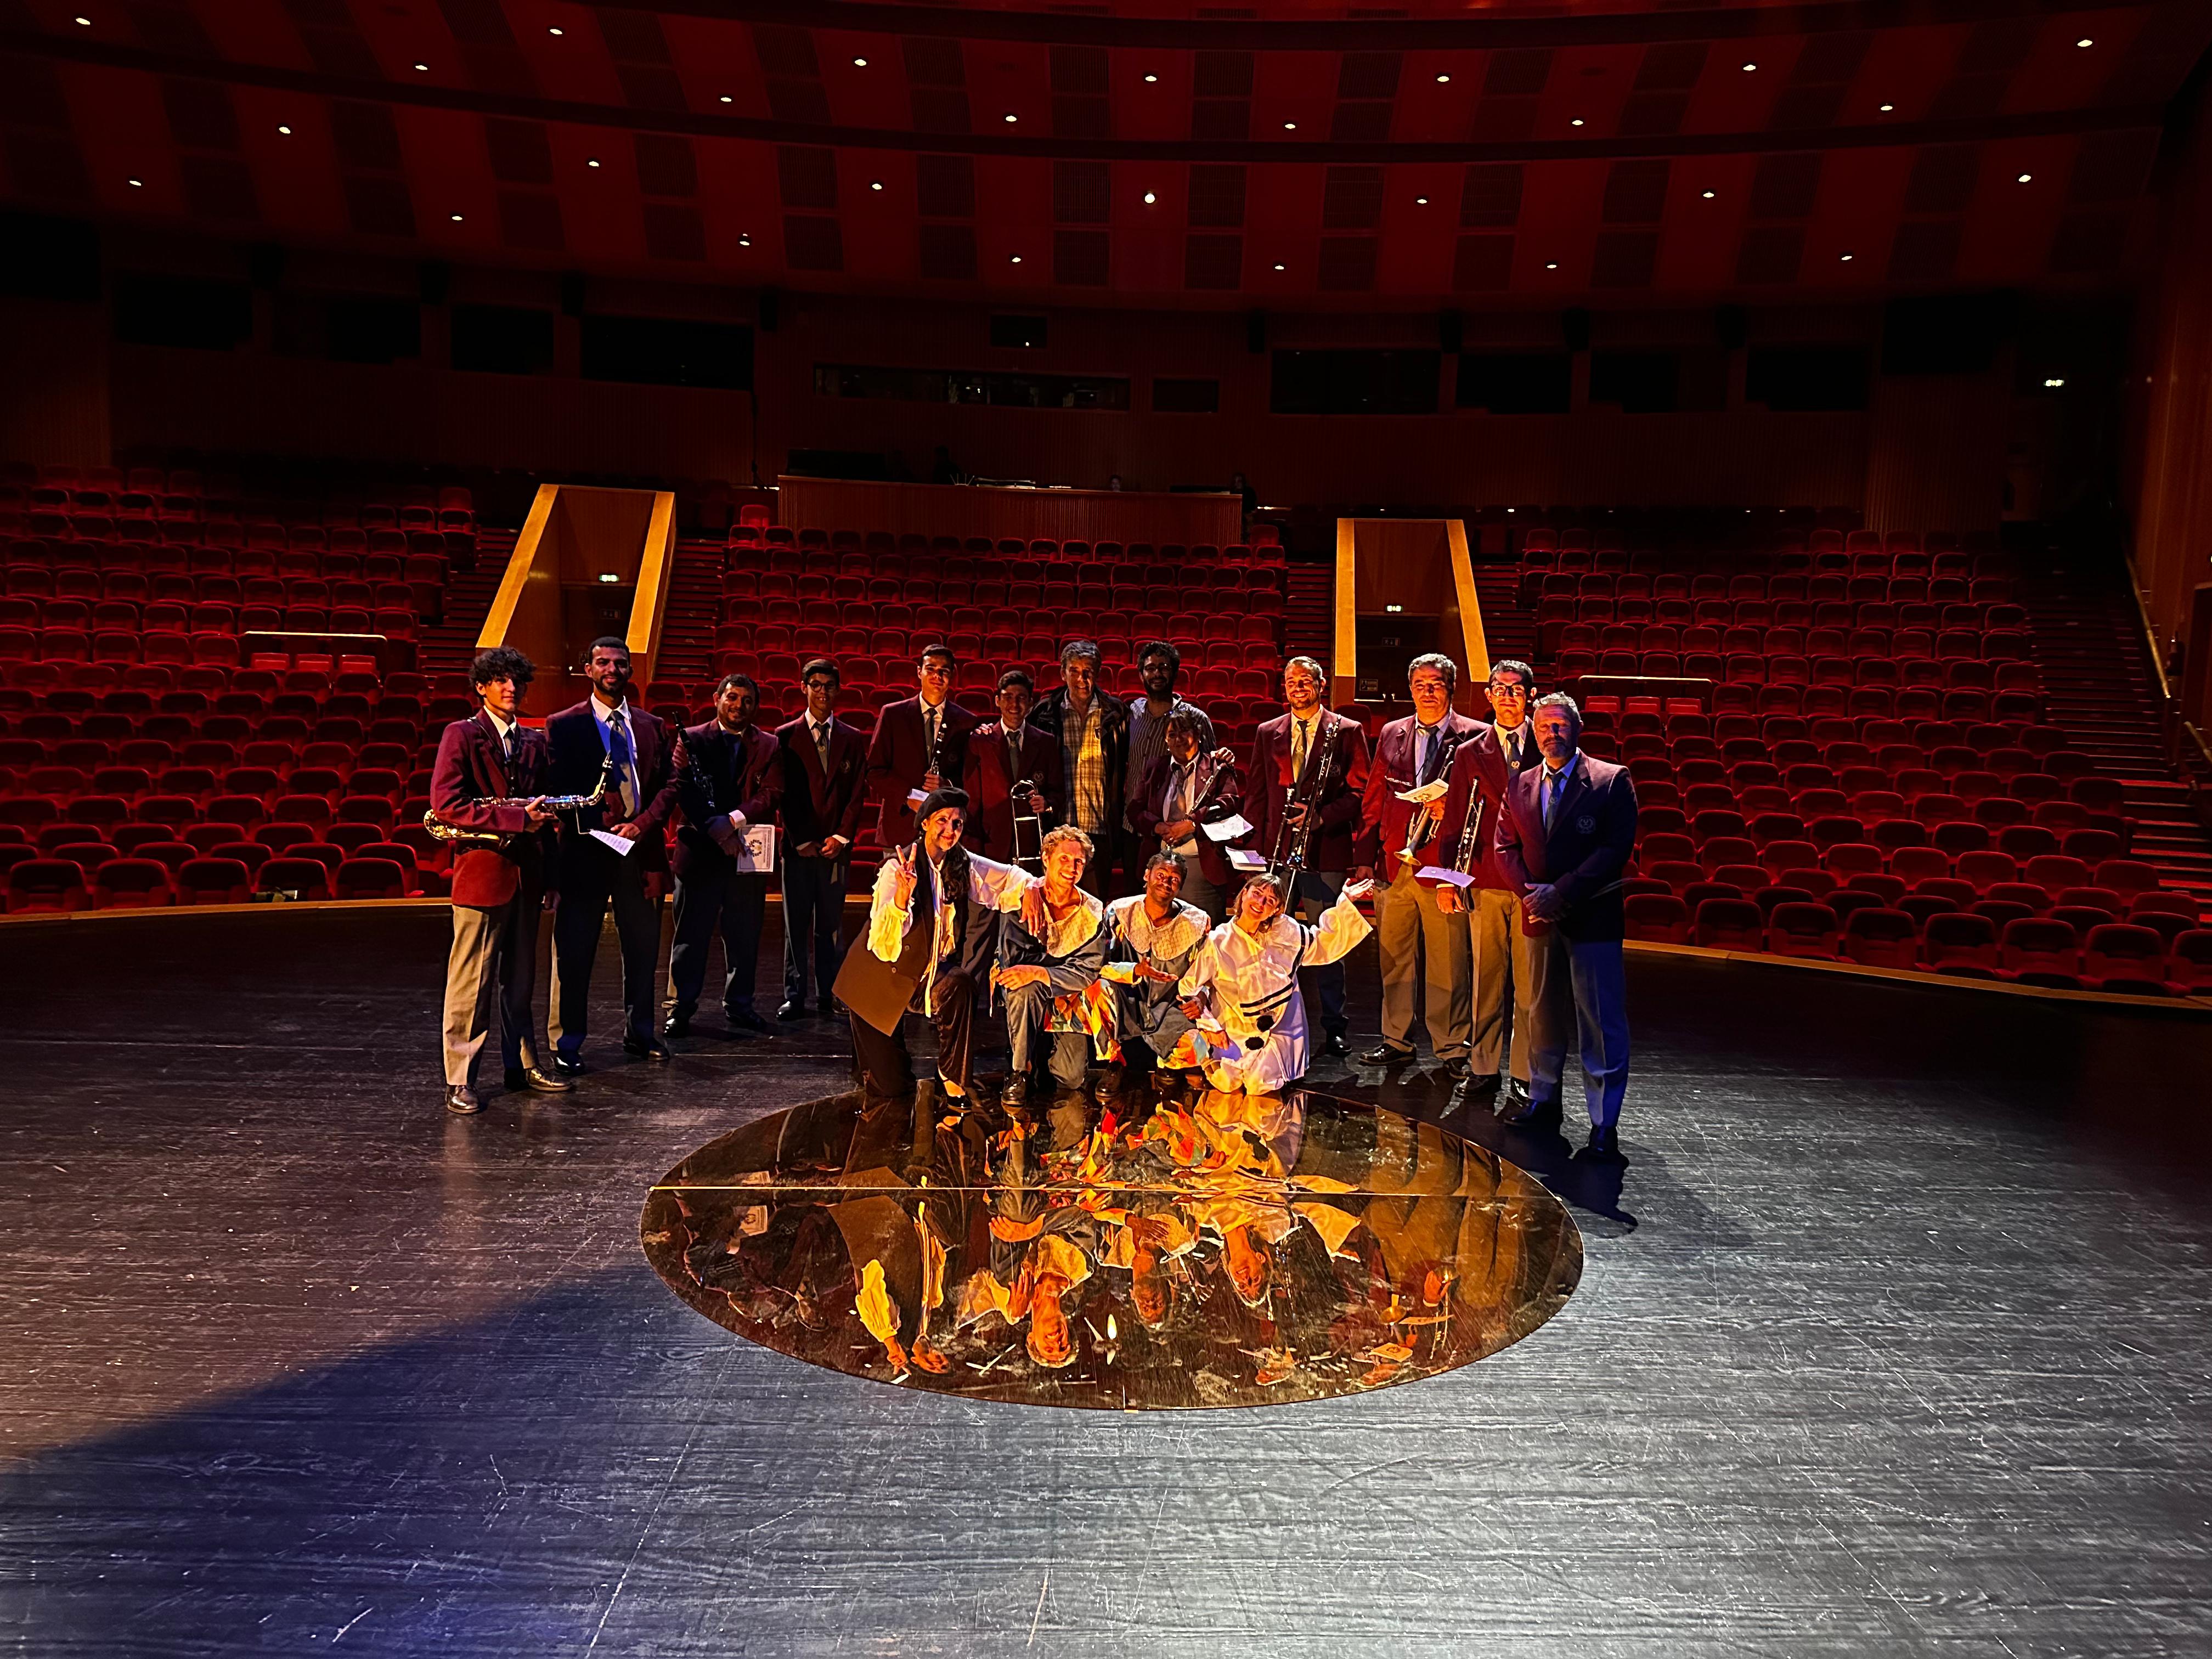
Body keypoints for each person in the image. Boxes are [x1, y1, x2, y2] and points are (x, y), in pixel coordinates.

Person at [1492, 693, 1638, 1159]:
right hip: (1538, 917)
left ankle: (1603, 1123)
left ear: (1577, 728)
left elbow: (1614, 850)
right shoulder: (1520, 783)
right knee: (1541, 1013)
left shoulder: (1611, 780)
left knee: (1599, 1021)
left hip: (1592, 917)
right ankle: (1543, 1100)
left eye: (1559, 725)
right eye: (1544, 727)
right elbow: (1503, 848)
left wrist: (1562, 892)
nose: (1551, 734)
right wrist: (1533, 895)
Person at [428, 646, 568, 1114]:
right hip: (483, 878)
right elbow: (447, 805)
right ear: (482, 687)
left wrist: (551, 876)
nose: (512, 688)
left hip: (528, 877)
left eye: (518, 680)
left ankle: (523, 1065)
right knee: (472, 984)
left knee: (521, 982)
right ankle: (460, 1078)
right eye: (502, 680)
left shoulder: (534, 741)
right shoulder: (461, 734)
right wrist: (515, 820)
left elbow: (546, 816)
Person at [838, 787, 1043, 1104]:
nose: (950, 830)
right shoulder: (898, 868)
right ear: (924, 824)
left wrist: (1030, 887)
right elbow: (883, 945)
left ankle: (952, 1078)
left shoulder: (962, 862)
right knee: (891, 1088)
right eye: (942, 821)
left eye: (957, 823)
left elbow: (1008, 877)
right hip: (880, 980)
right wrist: (902, 897)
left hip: (926, 976)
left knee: (960, 983)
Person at [544, 636, 675, 1074]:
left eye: (620, 664)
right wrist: (595, 821)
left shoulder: (652, 726)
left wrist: (643, 824)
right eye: (603, 663)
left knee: (642, 950)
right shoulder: (563, 725)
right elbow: (555, 787)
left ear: (630, 671)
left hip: (639, 851)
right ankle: (567, 1042)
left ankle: (641, 1033)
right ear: (588, 669)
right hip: (584, 855)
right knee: (575, 952)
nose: (612, 670)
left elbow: (670, 785)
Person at [1351, 653, 1483, 1074]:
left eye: (1436, 684)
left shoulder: (1475, 736)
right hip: (1395, 861)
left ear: (1452, 688)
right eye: (1420, 684)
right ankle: (1396, 1039)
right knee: (1394, 958)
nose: (1428, 692)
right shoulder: (1393, 732)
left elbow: (1483, 802)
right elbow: (1374, 796)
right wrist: (1365, 858)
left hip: (1442, 867)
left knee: (1449, 961)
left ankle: (1452, 1046)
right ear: (1410, 689)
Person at [1242, 656, 1370, 1057]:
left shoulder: (1347, 731)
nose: (1298, 687)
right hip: (1277, 854)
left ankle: (1334, 1025)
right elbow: (1257, 794)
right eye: (1291, 681)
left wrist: (1321, 817)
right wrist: (1254, 854)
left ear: (1321, 685)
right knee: (1267, 938)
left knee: (1327, 941)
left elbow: (1360, 792)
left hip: (1325, 852)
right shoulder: (1268, 732)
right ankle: (1266, 1019)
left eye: (1305, 680)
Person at [1430, 659, 1543, 1107]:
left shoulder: (1549, 743)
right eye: (1499, 689)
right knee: (1486, 979)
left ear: (1531, 696)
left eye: (1516, 690)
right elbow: (1455, 821)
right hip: (1486, 878)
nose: (1507, 697)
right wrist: (1447, 880)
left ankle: (1525, 1072)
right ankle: (1483, 1066)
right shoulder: (1469, 751)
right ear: (1488, 695)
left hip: (1534, 882)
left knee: (1530, 985)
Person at [1177, 870, 1374, 1094]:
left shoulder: (1283, 931)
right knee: (1226, 1083)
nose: (1260, 903)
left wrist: (1346, 901)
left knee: (1259, 1084)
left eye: (1270, 901)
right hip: (1235, 1026)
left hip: (1278, 1026)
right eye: (1257, 894)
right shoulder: (1219, 941)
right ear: (1244, 893)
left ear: (1277, 910)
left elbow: (1321, 942)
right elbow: (1188, 988)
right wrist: (1210, 1026)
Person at [664, 672, 782, 1041]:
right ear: (717, 699)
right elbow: (682, 789)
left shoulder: (770, 744)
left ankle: (740, 1004)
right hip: (700, 852)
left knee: (744, 936)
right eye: (732, 697)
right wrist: (716, 831)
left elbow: (772, 793)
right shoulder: (692, 738)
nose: (738, 706)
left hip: (746, 851)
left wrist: (731, 822)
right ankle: (681, 1007)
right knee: (690, 937)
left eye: (747, 700)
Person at [994, 826, 1115, 1107]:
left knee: (1071, 1078)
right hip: (1027, 990)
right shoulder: (1019, 901)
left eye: (1079, 862)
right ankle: (1019, 1071)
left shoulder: (1091, 912)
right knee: (1024, 989)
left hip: (1068, 994)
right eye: (1064, 859)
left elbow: (1087, 970)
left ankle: (1039, 1051)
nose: (1072, 868)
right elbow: (1015, 964)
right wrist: (1051, 970)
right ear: (1046, 859)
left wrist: (1041, 972)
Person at [776, 657, 868, 1020]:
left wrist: (842, 836)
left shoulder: (852, 738)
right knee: (796, 925)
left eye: (829, 686)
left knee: (831, 926)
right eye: (815, 685)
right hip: (798, 848)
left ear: (838, 690)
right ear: (804, 688)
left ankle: (830, 992)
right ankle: (794, 994)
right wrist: (801, 839)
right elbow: (782, 793)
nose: (823, 692)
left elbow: (857, 793)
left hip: (835, 849)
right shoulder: (784, 736)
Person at [1028, 639, 1128, 896]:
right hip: (1055, 828)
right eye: (1074, 671)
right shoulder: (1044, 713)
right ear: (1063, 673)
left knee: (1093, 908)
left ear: (1098, 674)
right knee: (1054, 907)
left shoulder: (1116, 714)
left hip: (1099, 832)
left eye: (1088, 672)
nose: (1082, 679)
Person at [1102, 850, 1213, 1080]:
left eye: (1174, 879)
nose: (1166, 882)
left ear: (1180, 886)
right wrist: (1134, 970)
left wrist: (1200, 996)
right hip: (1126, 1001)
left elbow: (1208, 971)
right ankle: (1114, 1064)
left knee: (1201, 1048)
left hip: (1171, 1006)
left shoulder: (1196, 922)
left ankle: (1167, 1067)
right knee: (1098, 990)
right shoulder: (1120, 912)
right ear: (1147, 875)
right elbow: (1099, 965)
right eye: (1161, 875)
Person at [1129, 706, 1243, 923]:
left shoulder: (1217, 766)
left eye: (1184, 732)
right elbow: (1135, 810)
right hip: (1161, 865)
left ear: (1198, 735)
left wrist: (1192, 824)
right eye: (1172, 734)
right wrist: (1157, 826)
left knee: (1203, 929)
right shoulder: (1155, 767)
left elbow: (1228, 804)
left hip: (1201, 866)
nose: (1178, 739)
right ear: (1166, 740)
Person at [866, 643, 979, 854]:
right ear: (919, 672)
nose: (937, 676)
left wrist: (947, 785)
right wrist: (909, 797)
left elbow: (973, 780)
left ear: (952, 675)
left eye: (944, 671)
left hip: (947, 833)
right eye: (931, 669)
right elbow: (874, 771)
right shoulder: (893, 715)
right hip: (900, 828)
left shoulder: (967, 722)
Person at [1124, 640, 1207, 887]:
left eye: (1164, 667)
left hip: (1180, 833)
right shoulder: (1132, 713)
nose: (1157, 674)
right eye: (1150, 668)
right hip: (1134, 825)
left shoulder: (1195, 719)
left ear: (1175, 673)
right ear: (1141, 674)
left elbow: (1210, 769)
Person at [961, 668, 1062, 868]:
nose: (1014, 705)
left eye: (1021, 698)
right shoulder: (980, 741)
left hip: (1033, 844)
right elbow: (971, 802)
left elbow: (1058, 792)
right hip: (992, 845)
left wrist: (1047, 803)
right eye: (1008, 697)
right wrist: (974, 848)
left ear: (1031, 703)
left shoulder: (1047, 742)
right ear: (997, 701)